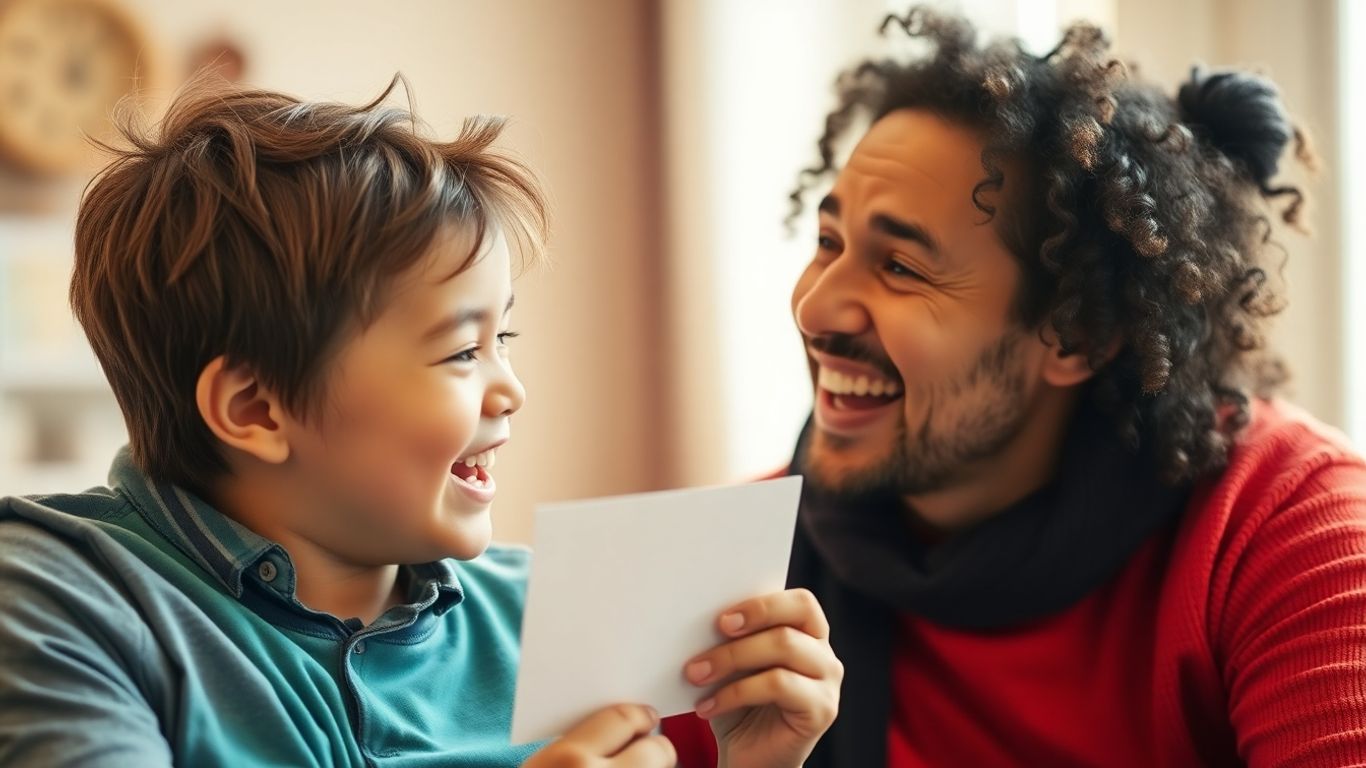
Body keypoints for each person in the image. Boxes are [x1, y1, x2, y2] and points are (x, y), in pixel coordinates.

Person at [0, 78, 842, 767]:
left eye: (501, 335)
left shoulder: (551, 613)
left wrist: (755, 764)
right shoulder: (58, 599)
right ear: (256, 409)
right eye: (459, 353)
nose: (509, 388)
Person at [660, 6, 1366, 766]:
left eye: (901, 267)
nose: (815, 306)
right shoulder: (739, 574)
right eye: (829, 243)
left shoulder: (1292, 536)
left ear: (1078, 335)